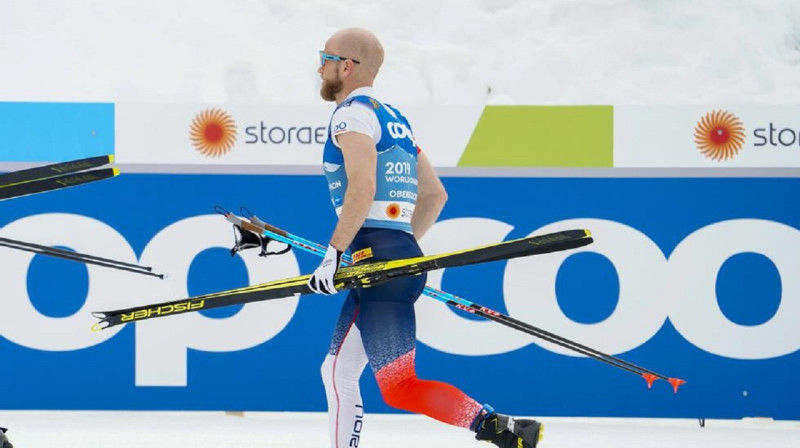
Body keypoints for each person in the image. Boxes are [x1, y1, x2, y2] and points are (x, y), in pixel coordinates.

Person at [307, 27, 544, 448]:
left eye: (324, 57)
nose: (319, 65)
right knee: (338, 371)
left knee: (398, 386)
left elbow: (362, 188)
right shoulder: (394, 120)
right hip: (390, 261)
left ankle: (499, 428)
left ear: (346, 66)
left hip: (375, 264)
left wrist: (335, 254)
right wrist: (398, 248)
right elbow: (435, 195)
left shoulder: (351, 115)